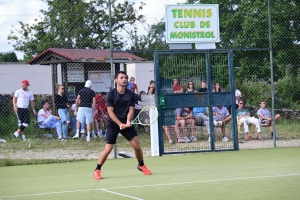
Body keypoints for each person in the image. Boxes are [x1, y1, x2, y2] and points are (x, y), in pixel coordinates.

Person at [94, 71, 152, 180]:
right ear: (116, 80)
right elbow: (110, 112)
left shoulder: (130, 94)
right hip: (113, 123)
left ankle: (141, 165)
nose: (124, 79)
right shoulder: (110, 94)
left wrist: (128, 121)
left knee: (137, 146)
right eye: (121, 78)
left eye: (125, 78)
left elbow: (131, 109)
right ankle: (97, 170)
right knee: (108, 149)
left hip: (126, 122)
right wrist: (120, 124)